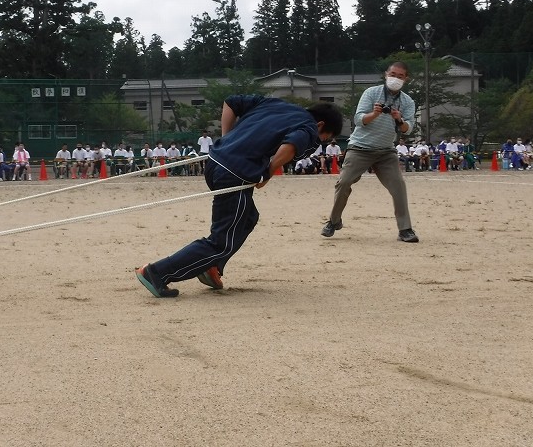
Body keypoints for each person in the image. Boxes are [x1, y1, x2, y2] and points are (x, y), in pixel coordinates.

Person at [135, 97, 343, 298]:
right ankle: (157, 272)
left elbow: (230, 102)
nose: (322, 141)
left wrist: (227, 139)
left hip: (215, 161)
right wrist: (269, 171)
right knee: (221, 242)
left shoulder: (274, 104)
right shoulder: (309, 127)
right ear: (321, 124)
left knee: (248, 217)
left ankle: (211, 266)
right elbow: (290, 146)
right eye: (325, 137)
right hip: (235, 173)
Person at [321, 61, 420, 243]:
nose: (395, 78)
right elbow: (359, 120)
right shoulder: (371, 93)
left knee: (398, 186)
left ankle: (405, 229)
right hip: (360, 148)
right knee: (343, 182)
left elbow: (408, 129)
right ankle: (333, 221)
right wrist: (375, 113)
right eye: (393, 74)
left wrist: (399, 119)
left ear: (406, 79)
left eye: (400, 76)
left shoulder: (407, 101)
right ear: (386, 74)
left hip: (386, 151)